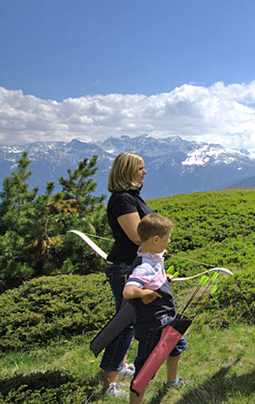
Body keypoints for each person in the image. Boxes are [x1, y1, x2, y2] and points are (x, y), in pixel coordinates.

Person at [100, 152, 153, 398]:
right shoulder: (123, 200)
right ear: (127, 171)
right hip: (124, 266)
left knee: (128, 320)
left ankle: (120, 367)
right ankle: (110, 383)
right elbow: (135, 235)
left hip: (131, 265)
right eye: (140, 168)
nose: (144, 172)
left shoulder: (130, 197)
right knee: (124, 323)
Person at [123, 213, 188, 403]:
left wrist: (161, 279)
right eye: (167, 239)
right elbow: (128, 291)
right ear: (156, 239)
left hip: (165, 319)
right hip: (152, 325)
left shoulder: (150, 254)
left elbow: (155, 263)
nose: (169, 242)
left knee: (178, 345)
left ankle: (172, 381)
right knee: (145, 371)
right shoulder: (145, 266)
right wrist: (146, 294)